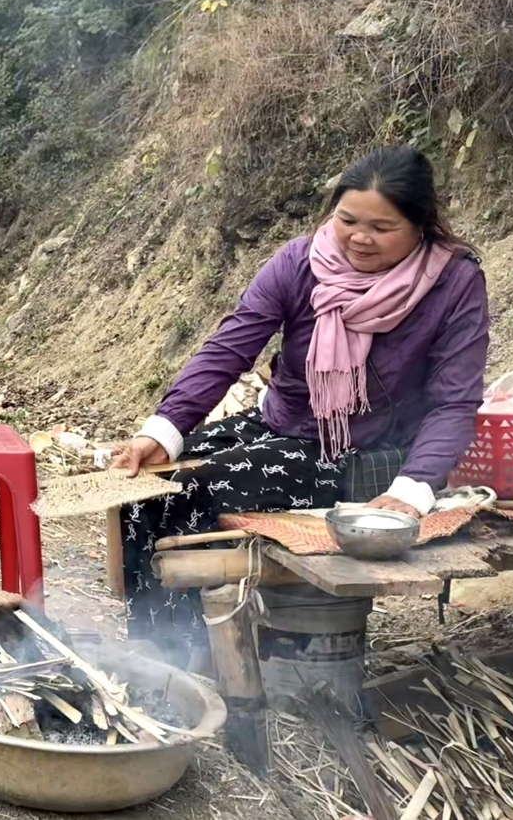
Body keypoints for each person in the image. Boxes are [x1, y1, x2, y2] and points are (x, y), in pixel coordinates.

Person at [111, 146, 489, 666]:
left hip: (363, 452)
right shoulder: (300, 262)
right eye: (347, 220)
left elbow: (455, 401)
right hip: (280, 423)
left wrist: (414, 489)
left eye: (382, 227)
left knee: (187, 494)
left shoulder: (453, 283)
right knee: (142, 487)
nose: (359, 237)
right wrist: (163, 432)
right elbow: (230, 348)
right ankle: (152, 658)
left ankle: (189, 666)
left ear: (421, 226)